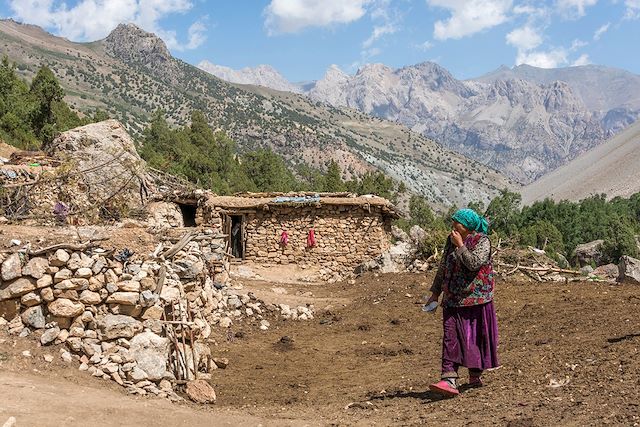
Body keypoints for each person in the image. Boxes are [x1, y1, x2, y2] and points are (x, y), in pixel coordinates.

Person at [426, 208, 499, 397]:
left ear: (467, 226)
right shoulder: (450, 241)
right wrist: (435, 293)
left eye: (456, 222)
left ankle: (475, 374)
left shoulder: (482, 241)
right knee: (450, 336)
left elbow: (474, 263)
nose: (453, 226)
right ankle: (448, 379)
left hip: (476, 298)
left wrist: (460, 246)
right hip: (452, 298)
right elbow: (443, 267)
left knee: (474, 337)